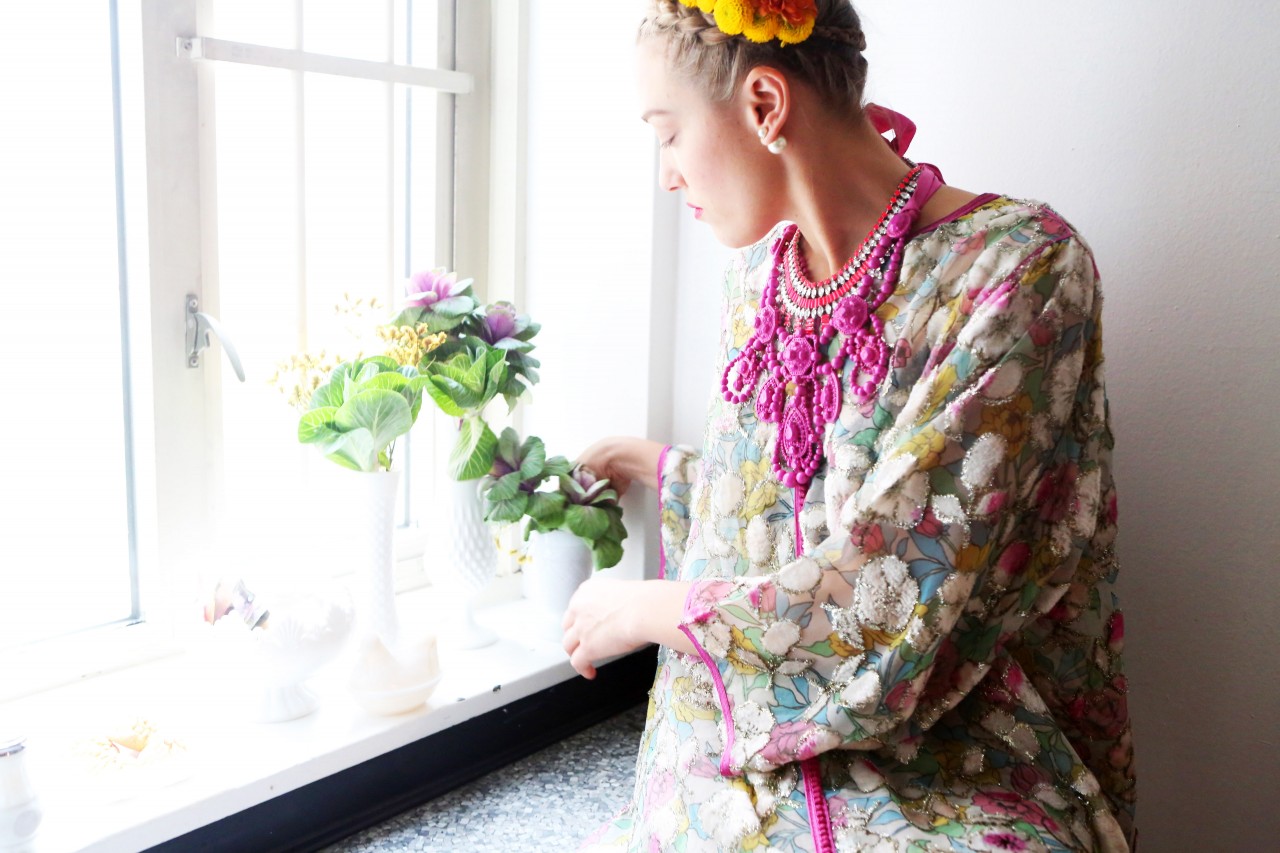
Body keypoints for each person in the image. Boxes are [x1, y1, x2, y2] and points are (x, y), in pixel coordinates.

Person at [562, 1, 1137, 850]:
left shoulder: (1020, 270)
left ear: (765, 104)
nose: (667, 175)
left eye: (668, 134)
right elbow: (776, 510)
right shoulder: (756, 278)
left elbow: (898, 575)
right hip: (732, 756)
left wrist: (647, 606)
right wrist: (666, 469)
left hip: (959, 748)